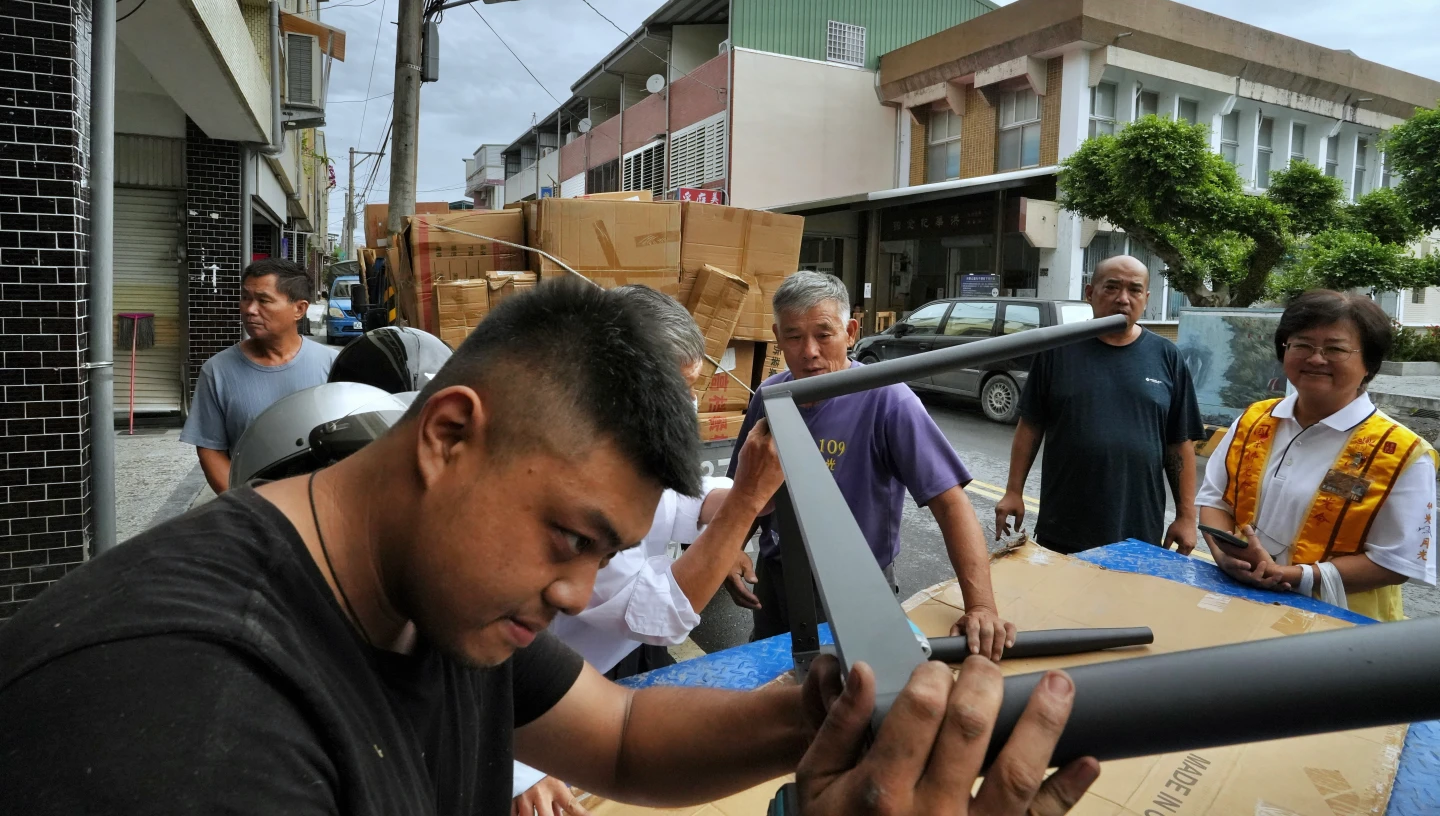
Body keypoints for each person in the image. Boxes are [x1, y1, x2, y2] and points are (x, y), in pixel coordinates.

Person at [0, 277, 1098, 816]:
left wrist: (830, 712)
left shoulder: (431, 595)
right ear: (447, 434)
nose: (580, 590)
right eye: (573, 538)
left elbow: (619, 736)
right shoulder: (200, 734)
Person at [512, 285, 786, 816]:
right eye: (675, 389)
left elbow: (677, 501)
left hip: (602, 668)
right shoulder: (571, 462)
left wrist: (734, 502)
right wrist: (747, 499)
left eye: (691, 390)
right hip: (533, 705)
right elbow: (660, 612)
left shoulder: (622, 437)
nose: (685, 408)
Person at [730, 271, 1015, 659]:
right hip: (777, 578)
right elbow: (744, 489)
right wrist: (729, 547)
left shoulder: (887, 398)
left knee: (860, 695)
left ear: (850, 332)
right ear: (778, 338)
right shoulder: (770, 396)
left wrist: (981, 607)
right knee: (771, 688)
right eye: (794, 336)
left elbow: (950, 504)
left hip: (859, 585)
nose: (809, 350)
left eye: (823, 334)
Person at [1196, 290, 1438, 621]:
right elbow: (1215, 500)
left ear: (1369, 362)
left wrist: (1295, 577)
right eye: (1302, 345)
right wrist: (1224, 555)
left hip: (1338, 629)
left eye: (1335, 349)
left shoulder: (1400, 452)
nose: (1315, 358)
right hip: (1240, 602)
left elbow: (1397, 562)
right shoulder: (1255, 419)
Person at [996, 255, 1205, 555]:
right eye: (1112, 288)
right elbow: (1030, 425)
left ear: (1146, 298)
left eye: (1134, 290)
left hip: (1139, 530)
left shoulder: (1167, 357)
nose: (1123, 299)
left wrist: (1186, 517)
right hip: (1064, 525)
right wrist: (1013, 491)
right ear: (1089, 293)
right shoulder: (1057, 350)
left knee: (1128, 601)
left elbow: (1179, 442)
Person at [180, 257, 336, 493]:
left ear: (299, 309)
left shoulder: (332, 365)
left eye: (264, 300)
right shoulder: (217, 371)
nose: (250, 310)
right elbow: (210, 449)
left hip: (323, 508)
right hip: (254, 512)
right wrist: (246, 507)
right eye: (246, 298)